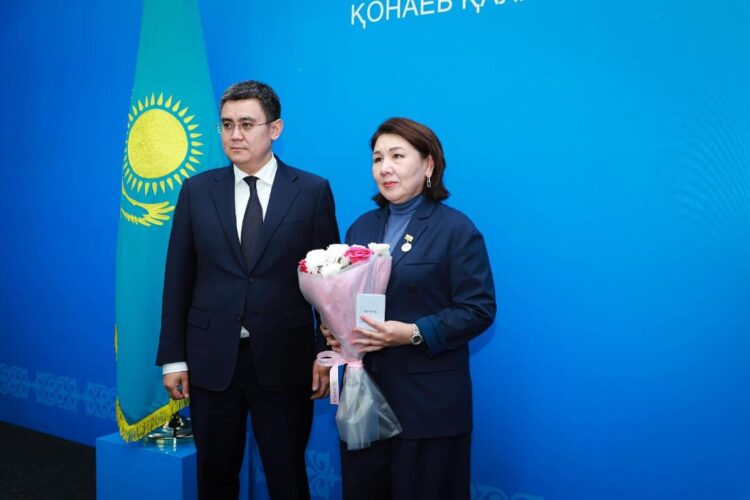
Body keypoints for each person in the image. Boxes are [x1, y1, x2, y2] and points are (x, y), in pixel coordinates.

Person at [156, 80, 340, 499]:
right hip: (211, 361)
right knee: (215, 477)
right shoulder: (196, 191)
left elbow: (329, 285)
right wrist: (173, 358)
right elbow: (177, 278)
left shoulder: (312, 191)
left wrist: (325, 354)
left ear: (275, 129)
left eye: (246, 124)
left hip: (285, 361)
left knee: (287, 476)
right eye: (226, 125)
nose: (234, 135)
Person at [323, 117, 496, 500]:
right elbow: (342, 297)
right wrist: (335, 328)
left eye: (397, 156)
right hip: (365, 399)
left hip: (428, 405)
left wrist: (412, 333)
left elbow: (479, 309)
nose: (384, 168)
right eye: (377, 158)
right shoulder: (360, 229)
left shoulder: (455, 229)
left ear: (429, 164)